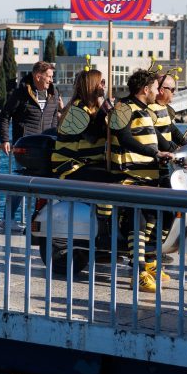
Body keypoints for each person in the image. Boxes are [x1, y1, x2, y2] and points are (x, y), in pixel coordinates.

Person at [109, 68, 176, 292]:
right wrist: (154, 153)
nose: (158, 92)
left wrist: (183, 152)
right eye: (156, 88)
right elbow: (124, 138)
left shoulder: (145, 110)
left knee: (167, 213)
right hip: (130, 176)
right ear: (145, 89)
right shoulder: (123, 108)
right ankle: (137, 273)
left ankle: (149, 260)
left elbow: (160, 140)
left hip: (149, 176)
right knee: (137, 220)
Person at [50, 69, 116, 244]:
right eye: (101, 82)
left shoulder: (92, 109)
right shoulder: (77, 109)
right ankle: (103, 230)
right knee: (108, 181)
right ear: (91, 86)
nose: (104, 86)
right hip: (70, 166)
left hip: (86, 163)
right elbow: (92, 135)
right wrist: (104, 108)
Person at [0, 61, 62, 228]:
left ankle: (39, 221)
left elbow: (54, 119)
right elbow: (5, 115)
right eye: (49, 76)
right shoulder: (20, 93)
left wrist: (55, 139)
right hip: (25, 148)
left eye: (52, 76)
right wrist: (4, 139)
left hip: (46, 148)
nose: (51, 80)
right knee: (22, 183)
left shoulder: (54, 93)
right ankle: (7, 219)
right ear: (38, 76)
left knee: (46, 186)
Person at [151, 71, 187, 150]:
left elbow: (173, 131)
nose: (174, 93)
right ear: (162, 90)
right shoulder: (150, 110)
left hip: (166, 154)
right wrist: (173, 149)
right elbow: (156, 136)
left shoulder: (163, 107)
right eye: (172, 89)